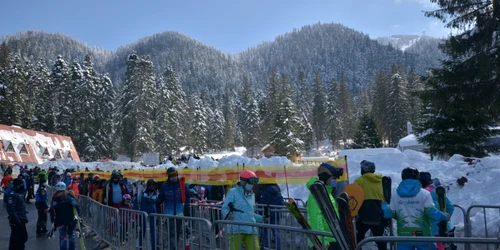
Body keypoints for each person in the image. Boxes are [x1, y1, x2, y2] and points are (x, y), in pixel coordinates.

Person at [382, 167, 449, 250]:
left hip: (403, 236)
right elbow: (432, 213)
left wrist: (384, 205)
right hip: (423, 235)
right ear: (417, 177)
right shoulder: (425, 194)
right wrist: (444, 216)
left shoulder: (396, 194)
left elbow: (388, 213)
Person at [222, 170, 264, 250]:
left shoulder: (252, 195)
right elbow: (225, 208)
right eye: (250, 182)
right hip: (236, 229)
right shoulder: (233, 192)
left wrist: (261, 218)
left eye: (254, 183)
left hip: (250, 229)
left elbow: (250, 213)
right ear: (243, 181)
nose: (252, 185)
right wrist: (228, 214)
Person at [306, 162, 342, 250]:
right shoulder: (317, 193)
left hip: (332, 237)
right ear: (325, 177)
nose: (335, 181)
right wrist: (322, 242)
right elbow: (316, 219)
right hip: (326, 241)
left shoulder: (327, 192)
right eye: (333, 178)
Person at [354, 160, 386, 250]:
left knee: (358, 239)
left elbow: (354, 199)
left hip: (363, 216)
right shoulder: (381, 180)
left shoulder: (359, 181)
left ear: (363, 169)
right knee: (380, 239)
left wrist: (355, 215)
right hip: (378, 215)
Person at [420, 172, 457, 250]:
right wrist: (446, 218)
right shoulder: (438, 191)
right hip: (447, 228)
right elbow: (450, 207)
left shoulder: (421, 195)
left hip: (432, 231)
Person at [156, 167, 190, 250]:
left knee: (177, 233)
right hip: (169, 213)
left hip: (179, 212)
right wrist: (158, 202)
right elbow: (161, 197)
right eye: (171, 175)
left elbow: (187, 195)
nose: (173, 177)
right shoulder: (165, 186)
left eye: (175, 175)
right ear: (168, 176)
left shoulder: (181, 184)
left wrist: (186, 205)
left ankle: (175, 247)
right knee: (171, 234)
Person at [49, 181, 81, 250]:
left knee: (63, 237)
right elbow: (76, 205)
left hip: (60, 220)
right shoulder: (69, 196)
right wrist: (79, 215)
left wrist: (53, 222)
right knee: (71, 235)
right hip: (70, 219)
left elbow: (51, 210)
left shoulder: (55, 198)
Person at [134, 178, 159, 249]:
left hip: (153, 215)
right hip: (143, 215)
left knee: (153, 230)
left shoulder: (156, 194)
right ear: (148, 185)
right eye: (151, 185)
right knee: (142, 230)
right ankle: (139, 246)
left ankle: (154, 247)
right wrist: (137, 211)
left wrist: (158, 215)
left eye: (154, 185)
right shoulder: (142, 193)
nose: (152, 187)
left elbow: (158, 204)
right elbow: (136, 202)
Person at [259, 182, 284, 250]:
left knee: (265, 232)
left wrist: (261, 214)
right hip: (276, 215)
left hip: (267, 215)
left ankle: (267, 247)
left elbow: (262, 203)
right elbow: (282, 202)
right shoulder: (277, 191)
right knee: (276, 232)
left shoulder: (265, 192)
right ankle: (278, 248)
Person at [6, 178, 28, 250]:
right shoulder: (13, 195)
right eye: (21, 184)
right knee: (16, 240)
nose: (23, 185)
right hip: (17, 221)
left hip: (21, 219)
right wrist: (17, 221)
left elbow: (21, 207)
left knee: (23, 238)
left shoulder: (20, 193)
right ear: (18, 185)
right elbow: (11, 209)